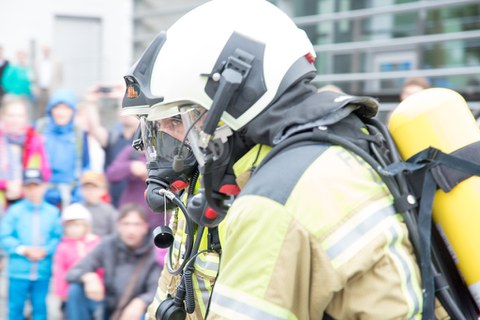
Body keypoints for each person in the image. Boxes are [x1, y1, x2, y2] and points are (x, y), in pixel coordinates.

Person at [120, 0, 439, 318]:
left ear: (237, 100)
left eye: (177, 119)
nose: (172, 139)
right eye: (156, 126)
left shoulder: (277, 200)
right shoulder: (223, 178)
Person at [65, 203, 162, 320]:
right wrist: (88, 277)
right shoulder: (109, 244)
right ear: (119, 226)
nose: (131, 230)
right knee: (76, 289)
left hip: (139, 311)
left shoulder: (155, 251)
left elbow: (157, 290)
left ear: (145, 227)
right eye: (126, 224)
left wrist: (141, 302)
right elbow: (74, 271)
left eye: (137, 224)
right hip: (108, 307)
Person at [0, 168, 62, 320]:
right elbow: (4, 235)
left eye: (36, 186)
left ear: (44, 187)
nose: (33, 191)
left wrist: (45, 251)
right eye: (29, 187)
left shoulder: (52, 212)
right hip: (18, 271)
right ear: (23, 189)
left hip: (42, 270)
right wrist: (23, 250)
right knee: (15, 309)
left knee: (40, 308)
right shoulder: (14, 211)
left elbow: (57, 237)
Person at [36, 88, 90, 209]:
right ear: (51, 110)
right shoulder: (40, 129)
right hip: (41, 195)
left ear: (73, 112)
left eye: (66, 108)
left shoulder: (78, 134)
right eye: (57, 108)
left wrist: (79, 193)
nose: (61, 112)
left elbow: (85, 165)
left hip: (70, 195)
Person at [0, 94, 51, 210]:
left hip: (27, 201)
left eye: (19, 116)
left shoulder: (35, 140)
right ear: (3, 116)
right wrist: (7, 185)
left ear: (26, 118)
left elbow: (45, 172)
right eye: (11, 115)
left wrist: (23, 187)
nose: (15, 120)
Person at [53, 203, 102, 316]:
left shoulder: (95, 243)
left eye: (77, 225)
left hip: (94, 290)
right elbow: (60, 271)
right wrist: (62, 292)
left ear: (86, 226)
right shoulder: (63, 247)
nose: (73, 230)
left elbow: (101, 267)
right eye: (69, 226)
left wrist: (101, 284)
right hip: (72, 290)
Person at [80, 170, 118, 237]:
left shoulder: (109, 211)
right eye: (87, 188)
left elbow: (114, 235)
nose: (90, 191)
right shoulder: (77, 209)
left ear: (103, 190)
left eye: (94, 188)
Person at [35, 45, 63, 120]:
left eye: (47, 50)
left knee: (51, 107)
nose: (46, 52)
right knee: (40, 110)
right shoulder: (38, 61)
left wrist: (57, 87)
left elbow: (60, 76)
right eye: (44, 50)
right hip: (40, 89)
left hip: (51, 89)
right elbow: (35, 76)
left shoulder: (57, 61)